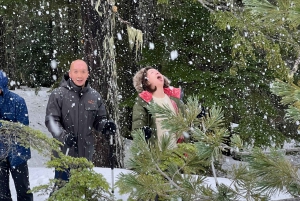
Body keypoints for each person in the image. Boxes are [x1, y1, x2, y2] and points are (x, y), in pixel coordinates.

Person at [45, 59, 116, 182]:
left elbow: (99, 120)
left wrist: (105, 126)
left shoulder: (94, 96)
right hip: (64, 153)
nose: (79, 75)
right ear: (70, 73)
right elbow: (51, 120)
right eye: (76, 71)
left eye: (83, 72)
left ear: (88, 74)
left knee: (81, 190)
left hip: (85, 154)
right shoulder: (58, 94)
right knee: (62, 190)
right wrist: (64, 136)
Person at [0, 70, 33, 201]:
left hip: (18, 153)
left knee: (24, 191)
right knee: (2, 194)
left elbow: (22, 128)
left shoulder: (17, 101)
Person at [131, 67, 186, 147]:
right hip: (156, 156)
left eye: (158, 71)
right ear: (145, 82)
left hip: (178, 155)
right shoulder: (142, 102)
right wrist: (143, 132)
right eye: (152, 73)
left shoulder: (175, 99)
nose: (157, 73)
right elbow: (137, 129)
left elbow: (187, 125)